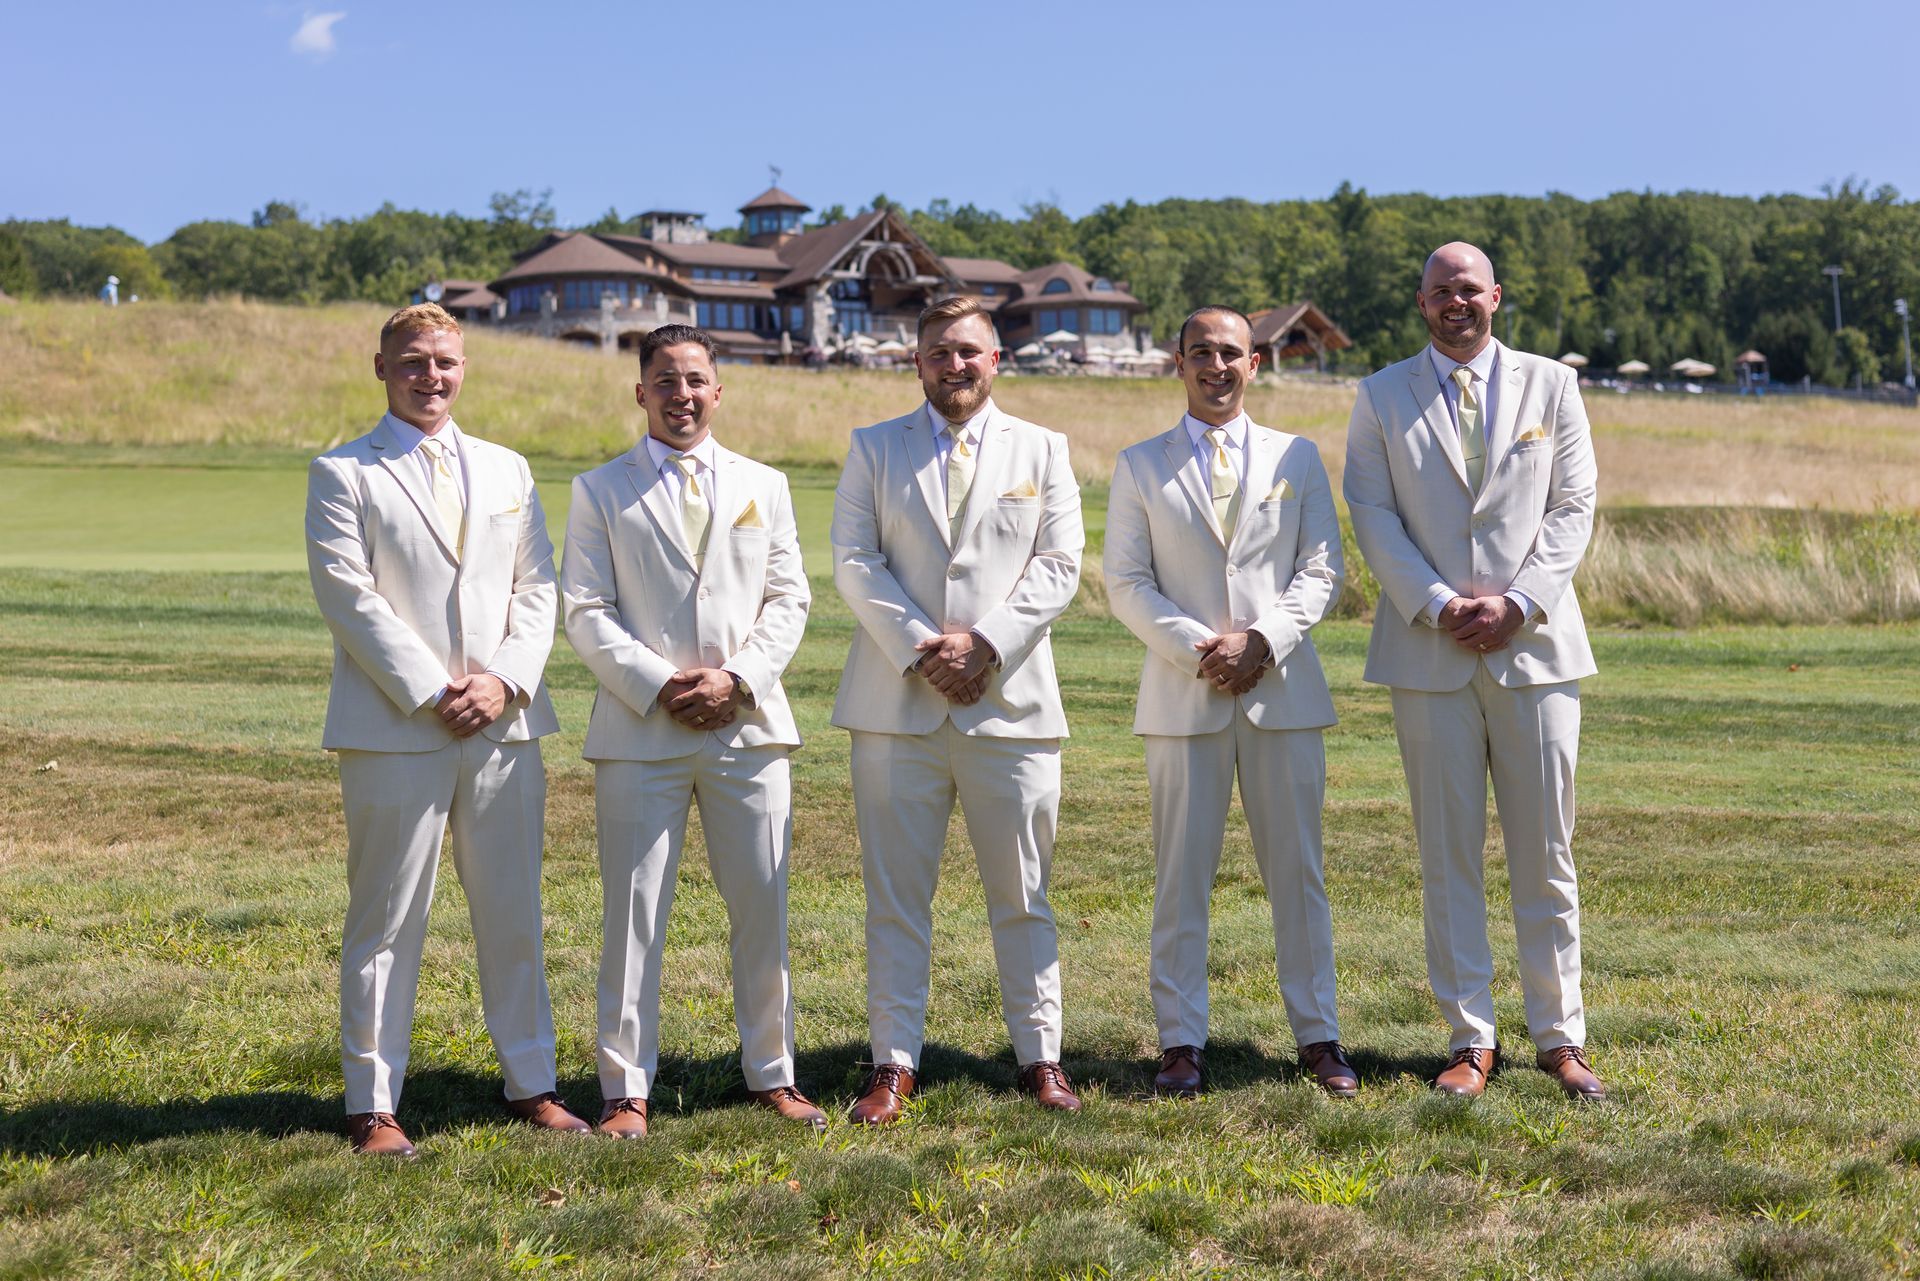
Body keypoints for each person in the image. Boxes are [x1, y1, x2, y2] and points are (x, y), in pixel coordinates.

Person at [306, 303, 587, 1157]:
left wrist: (502, 681)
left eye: (446, 362)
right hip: (395, 726)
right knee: (387, 915)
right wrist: (435, 689)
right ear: (381, 367)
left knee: (513, 910)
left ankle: (532, 1082)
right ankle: (374, 1100)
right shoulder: (343, 471)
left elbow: (538, 589)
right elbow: (349, 597)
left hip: (504, 724)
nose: (432, 376)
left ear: (465, 368)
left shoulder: (507, 468)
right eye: (414, 362)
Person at [1342, 243, 1605, 1101]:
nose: (1457, 303)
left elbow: (1573, 504)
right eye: (1440, 292)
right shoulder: (1381, 394)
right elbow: (1371, 511)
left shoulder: (1552, 385)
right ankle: (1470, 1037)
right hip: (1429, 652)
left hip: (1536, 650)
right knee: (1447, 855)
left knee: (1547, 851)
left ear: (1496, 294)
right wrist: (1434, 602)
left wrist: (1520, 602)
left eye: (1470, 289)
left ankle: (1560, 1036)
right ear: (1421, 303)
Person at [560, 324, 820, 1139]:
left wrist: (737, 679)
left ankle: (772, 1072)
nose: (682, 393)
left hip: (747, 727)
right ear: (641, 391)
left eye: (696, 379)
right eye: (665, 380)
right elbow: (585, 610)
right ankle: (625, 1088)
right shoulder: (600, 488)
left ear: (719, 389)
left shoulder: (764, 484)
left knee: (762, 906)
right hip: (643, 729)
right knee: (634, 913)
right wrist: (660, 682)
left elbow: (790, 600)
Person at [830, 295, 1085, 1123]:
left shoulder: (1044, 447)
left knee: (1025, 892)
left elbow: (1059, 564)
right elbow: (855, 561)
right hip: (896, 702)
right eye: (939, 351)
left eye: (969, 351)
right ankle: (893, 1061)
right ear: (918, 361)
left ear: (995, 359)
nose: (955, 364)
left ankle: (1040, 1055)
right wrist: (923, 647)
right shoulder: (874, 447)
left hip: (1010, 705)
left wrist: (986, 645)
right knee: (897, 897)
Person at [1104, 306, 1355, 1099]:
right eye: (1202, 352)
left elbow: (1322, 569)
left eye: (1232, 353)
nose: (1217, 366)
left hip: (1282, 692)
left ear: (1258, 363)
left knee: (1299, 873)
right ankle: (1180, 1040)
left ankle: (1318, 1035)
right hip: (1184, 696)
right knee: (1181, 875)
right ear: (1176, 363)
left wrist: (1265, 640)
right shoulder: (1139, 463)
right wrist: (1198, 649)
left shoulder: (1297, 456)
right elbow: (1126, 582)